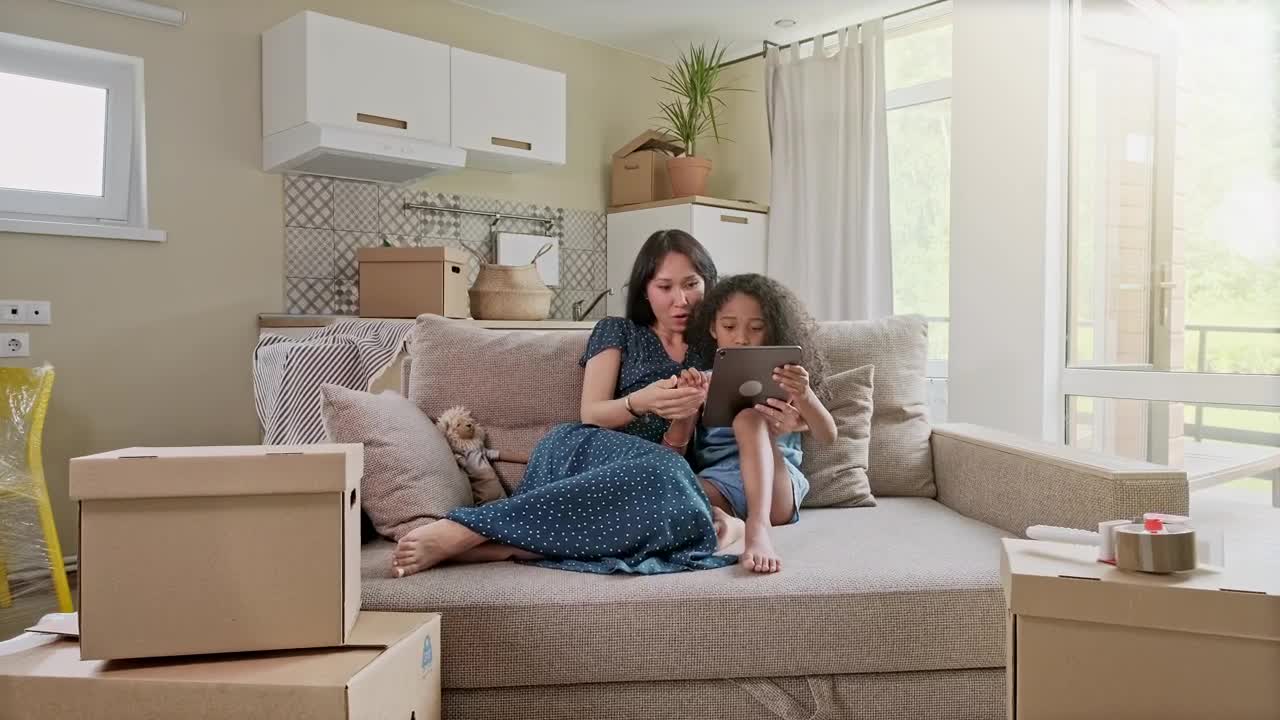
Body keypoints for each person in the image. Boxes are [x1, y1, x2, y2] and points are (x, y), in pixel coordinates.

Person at [391, 230, 742, 576]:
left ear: (708, 283)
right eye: (665, 287)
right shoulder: (618, 330)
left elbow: (678, 455)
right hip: (585, 451)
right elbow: (592, 413)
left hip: (653, 477)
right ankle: (469, 528)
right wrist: (641, 402)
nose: (681, 299)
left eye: (692, 284)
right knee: (672, 478)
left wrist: (686, 416)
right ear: (645, 291)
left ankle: (508, 545)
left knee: (676, 485)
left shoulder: (715, 348)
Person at [669, 274, 837, 574]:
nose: (741, 338)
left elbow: (828, 435)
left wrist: (804, 394)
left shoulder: (786, 379)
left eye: (756, 328)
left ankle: (757, 528)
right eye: (729, 327)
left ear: (771, 329)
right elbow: (672, 457)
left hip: (775, 495)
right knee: (664, 492)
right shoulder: (705, 381)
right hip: (720, 486)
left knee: (748, 417)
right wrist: (686, 409)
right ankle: (729, 524)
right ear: (713, 328)